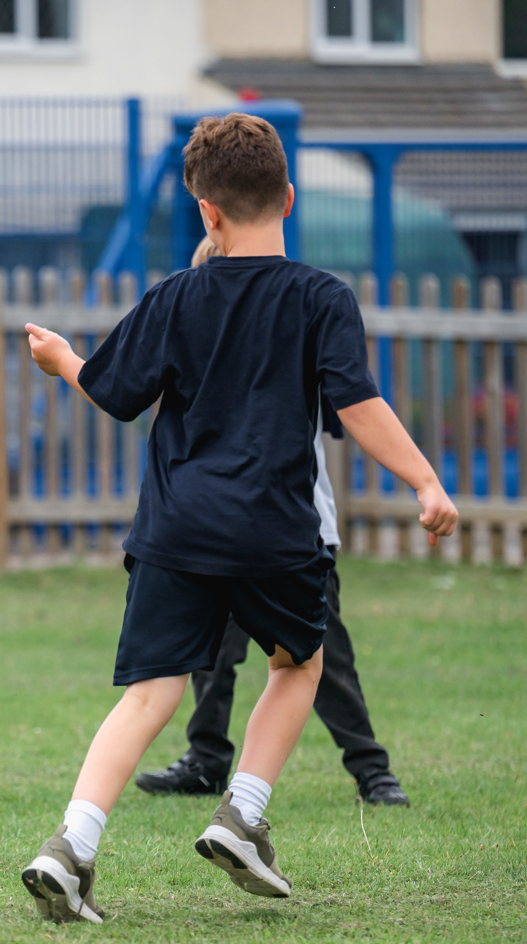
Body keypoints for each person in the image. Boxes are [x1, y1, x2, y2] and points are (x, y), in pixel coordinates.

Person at [17, 114, 455, 922]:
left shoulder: (177, 295)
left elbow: (114, 395)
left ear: (205, 213)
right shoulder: (323, 298)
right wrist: (424, 478)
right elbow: (357, 405)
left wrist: (62, 360)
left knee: (151, 694)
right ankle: (242, 814)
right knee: (300, 662)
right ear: (288, 197)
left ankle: (71, 845)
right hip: (272, 529)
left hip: (176, 529)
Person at [135, 236, 409, 808]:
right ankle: (207, 758)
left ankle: (371, 769)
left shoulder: (288, 336)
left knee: (320, 660)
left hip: (293, 535)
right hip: (215, 533)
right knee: (208, 658)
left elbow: (349, 407)